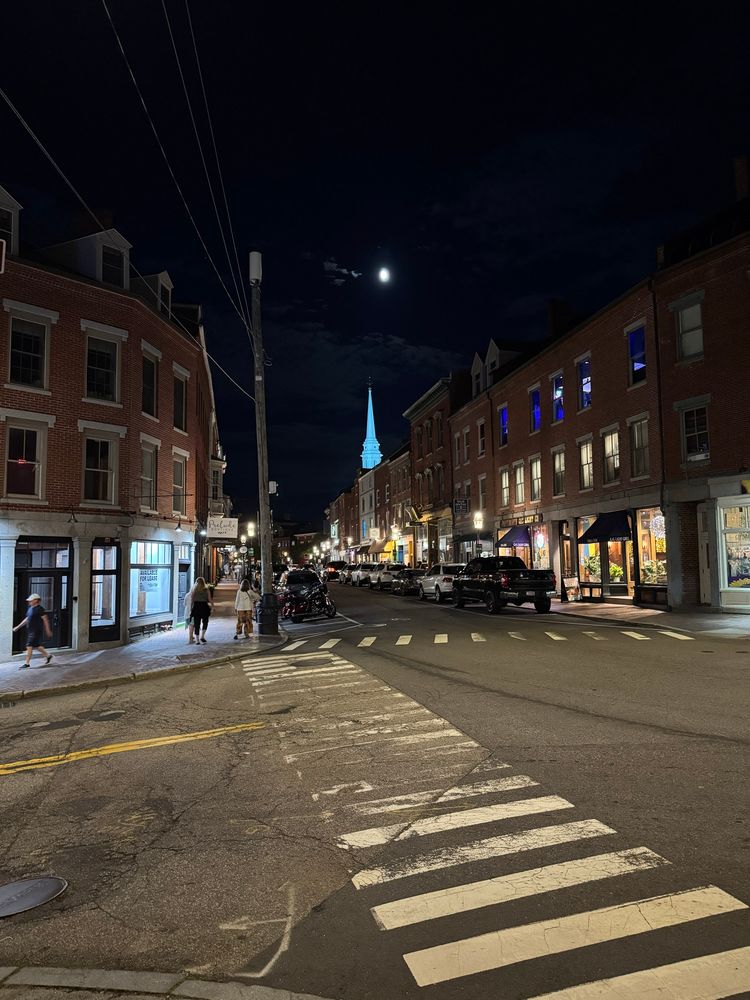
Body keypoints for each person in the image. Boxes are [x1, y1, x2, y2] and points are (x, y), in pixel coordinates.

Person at [13, 593, 53, 668]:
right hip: (31, 630)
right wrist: (17, 627)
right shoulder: (30, 608)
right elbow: (27, 619)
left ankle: (27, 663)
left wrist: (48, 630)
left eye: (31, 600)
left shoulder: (40, 609)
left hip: (36, 631)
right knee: (37, 646)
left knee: (29, 645)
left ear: (36, 600)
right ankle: (48, 656)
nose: (29, 602)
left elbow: (45, 620)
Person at [187, 576, 214, 644]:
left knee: (196, 623)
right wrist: (212, 607)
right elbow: (210, 599)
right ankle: (202, 636)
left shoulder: (194, 590)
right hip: (204, 606)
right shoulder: (206, 589)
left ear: (196, 583)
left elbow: (192, 600)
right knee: (205, 622)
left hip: (196, 607)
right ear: (203, 582)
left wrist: (191, 608)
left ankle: (197, 640)